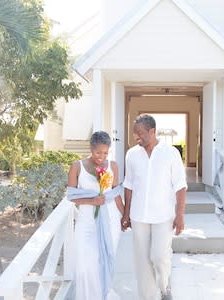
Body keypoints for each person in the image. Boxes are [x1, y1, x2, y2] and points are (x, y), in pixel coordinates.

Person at [122, 114, 187, 300]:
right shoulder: (131, 154)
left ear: (152, 131)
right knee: (142, 263)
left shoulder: (171, 153)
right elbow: (129, 185)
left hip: (164, 215)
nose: (136, 137)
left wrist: (180, 215)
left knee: (159, 257)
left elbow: (180, 186)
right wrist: (126, 214)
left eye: (140, 133)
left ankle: (164, 287)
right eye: (135, 133)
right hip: (138, 216)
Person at [67, 131, 124, 300]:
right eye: (98, 152)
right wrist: (92, 201)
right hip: (86, 221)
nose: (102, 156)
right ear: (91, 148)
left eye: (105, 153)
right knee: (85, 263)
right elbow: (71, 196)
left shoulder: (113, 166)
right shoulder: (77, 166)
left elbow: (115, 194)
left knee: (104, 259)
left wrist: (125, 216)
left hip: (110, 219)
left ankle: (103, 294)